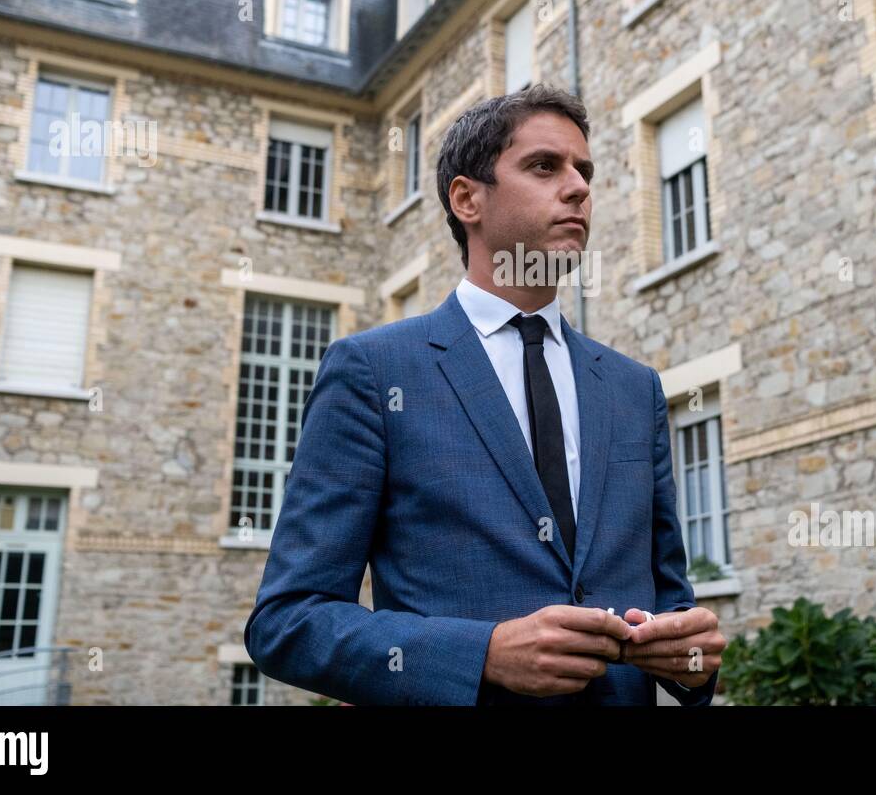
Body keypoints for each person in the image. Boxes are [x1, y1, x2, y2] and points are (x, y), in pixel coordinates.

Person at [244, 83, 725, 705]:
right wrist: (481, 655)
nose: (578, 186)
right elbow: (287, 621)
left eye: (585, 170)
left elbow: (668, 599)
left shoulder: (635, 388)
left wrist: (689, 658)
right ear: (467, 198)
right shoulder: (373, 370)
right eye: (544, 166)